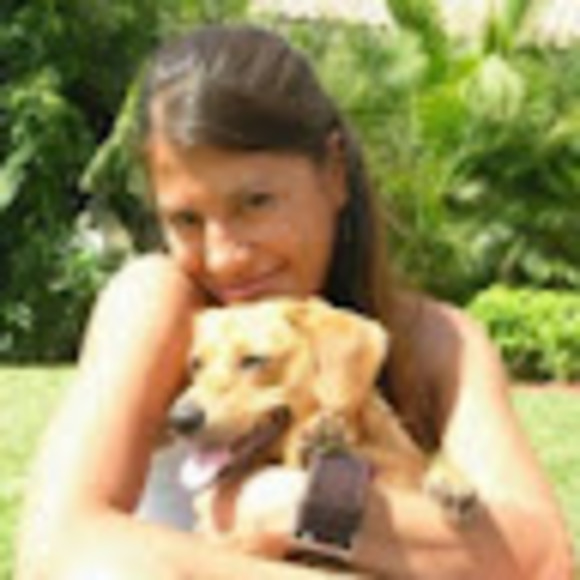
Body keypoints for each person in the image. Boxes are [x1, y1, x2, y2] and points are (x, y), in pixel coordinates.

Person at [15, 23, 573, 580]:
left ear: (334, 173)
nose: (224, 257)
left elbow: (545, 560)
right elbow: (60, 551)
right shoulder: (162, 304)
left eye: (255, 202)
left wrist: (305, 506)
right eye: (186, 220)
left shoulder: (433, 339)